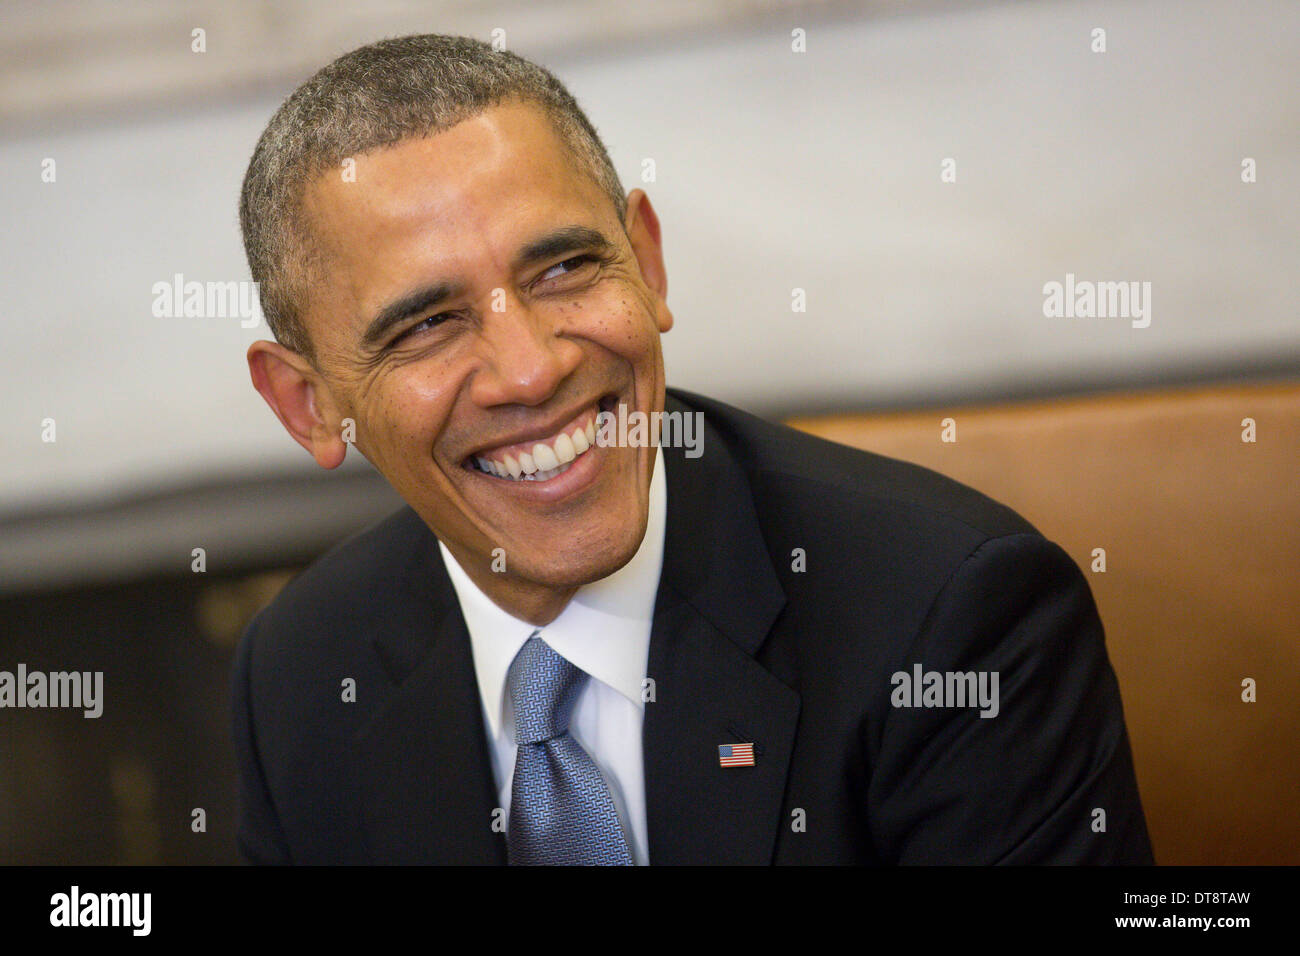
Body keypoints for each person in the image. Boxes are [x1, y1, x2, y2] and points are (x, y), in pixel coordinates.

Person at [232, 34, 1153, 865]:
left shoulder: (951, 622)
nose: (529, 371)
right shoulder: (303, 670)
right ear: (308, 405)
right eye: (429, 324)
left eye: (564, 269)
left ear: (649, 263)